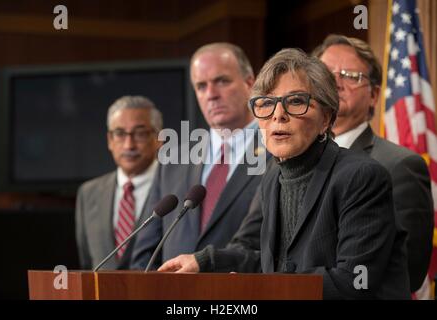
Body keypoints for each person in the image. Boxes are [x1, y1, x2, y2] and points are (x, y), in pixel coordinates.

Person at [158, 48, 411, 299]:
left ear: (326, 118)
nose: (279, 115)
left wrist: (259, 289)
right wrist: (205, 261)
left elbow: (354, 280)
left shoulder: (361, 177)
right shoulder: (273, 177)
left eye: (296, 101)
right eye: (266, 103)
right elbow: (277, 267)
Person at [312, 34, 434, 292]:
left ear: (374, 96)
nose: (335, 82)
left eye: (351, 76)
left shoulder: (400, 165)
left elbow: (409, 270)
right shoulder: (288, 162)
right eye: (326, 73)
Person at [129, 42, 267, 270]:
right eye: (201, 86)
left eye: (222, 81)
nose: (211, 95)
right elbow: (145, 254)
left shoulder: (277, 154)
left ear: (250, 83)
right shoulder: (174, 159)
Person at [75, 95, 162, 270]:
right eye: (120, 134)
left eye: (140, 134)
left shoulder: (176, 189)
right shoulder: (88, 193)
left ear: (158, 139)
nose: (129, 145)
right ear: (110, 140)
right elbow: (87, 264)